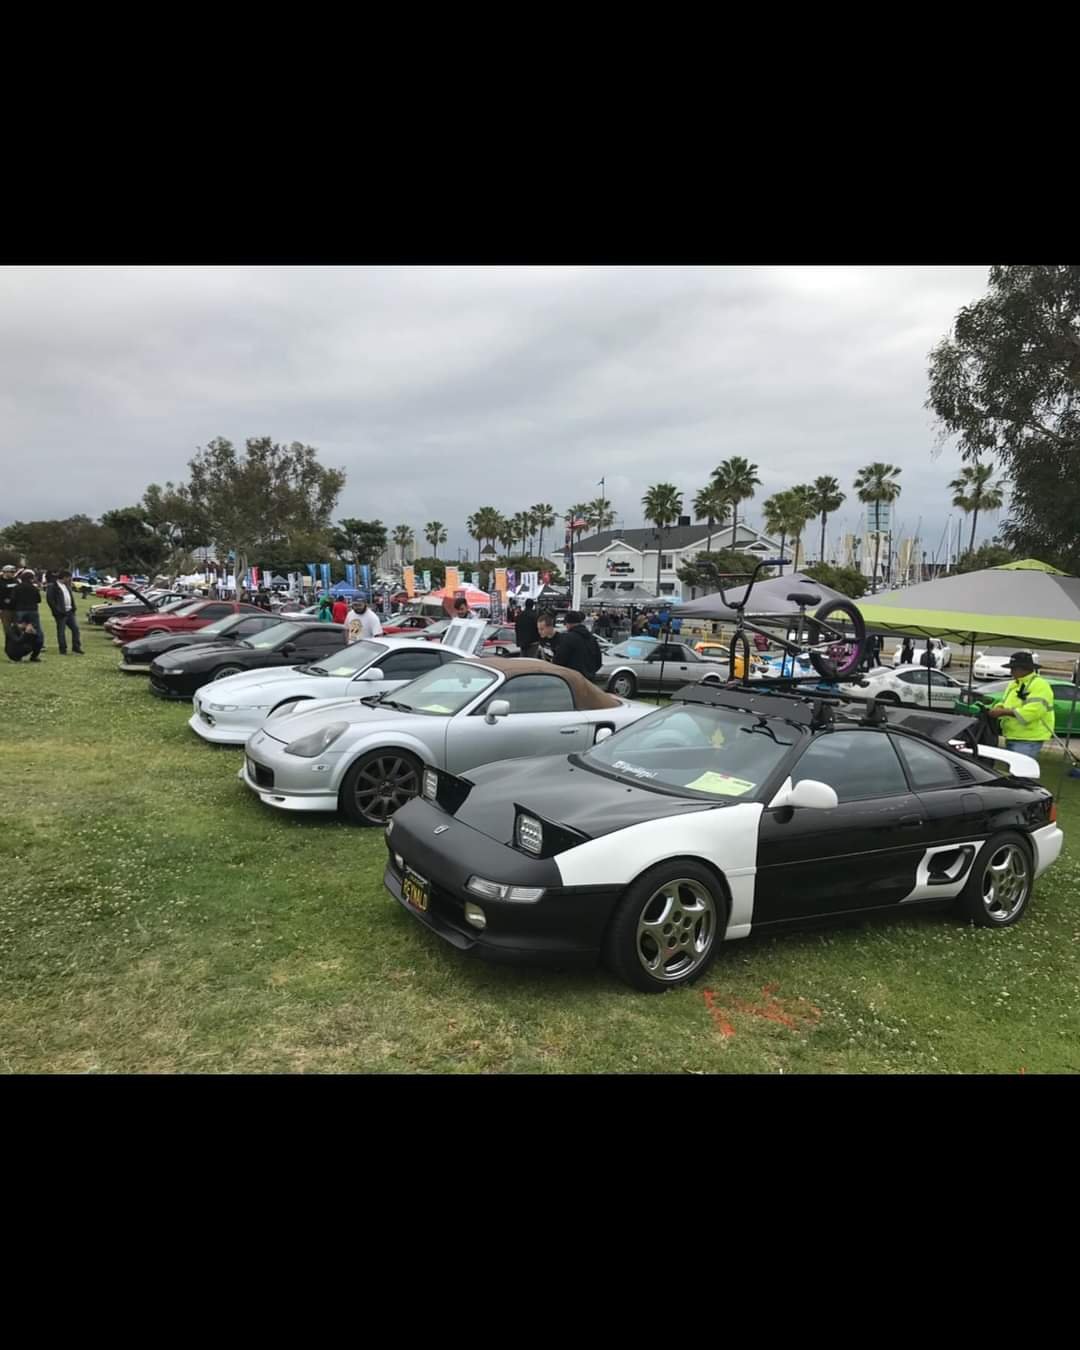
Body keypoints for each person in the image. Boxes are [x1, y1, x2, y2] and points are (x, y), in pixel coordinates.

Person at [985, 652, 1056, 758]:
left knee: (1020, 767)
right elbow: (1005, 702)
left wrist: (1003, 712)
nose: (1011, 671)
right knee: (1014, 767)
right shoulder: (1014, 684)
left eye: (1013, 668)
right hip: (1013, 735)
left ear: (1024, 669)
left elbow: (1033, 712)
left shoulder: (1040, 685)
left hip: (1029, 738)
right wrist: (999, 707)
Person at [555, 610, 603, 679]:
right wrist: (590, 672)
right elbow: (599, 660)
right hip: (589, 678)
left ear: (568, 623)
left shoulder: (567, 638)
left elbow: (559, 660)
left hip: (572, 678)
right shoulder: (592, 638)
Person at [46, 570, 84, 654]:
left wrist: (73, 607)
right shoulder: (53, 587)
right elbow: (50, 600)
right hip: (61, 613)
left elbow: (70, 597)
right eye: (69, 578)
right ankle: (63, 648)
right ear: (64, 577)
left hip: (69, 611)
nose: (70, 580)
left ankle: (76, 647)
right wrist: (56, 610)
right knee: (61, 631)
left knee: (75, 629)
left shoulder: (67, 586)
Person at [13, 570, 44, 648]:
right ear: (30, 579)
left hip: (20, 610)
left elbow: (13, 599)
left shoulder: (17, 588)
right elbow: (39, 600)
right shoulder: (34, 588)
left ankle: (20, 643)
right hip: (32, 610)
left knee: (19, 628)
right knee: (36, 628)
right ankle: (39, 644)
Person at [0, 563, 17, 639]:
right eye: (11, 572)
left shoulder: (15, 580)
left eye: (14, 572)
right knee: (7, 628)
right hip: (5, 609)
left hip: (16, 607)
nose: (13, 573)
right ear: (5, 572)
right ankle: (9, 643)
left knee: (18, 627)